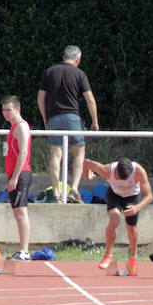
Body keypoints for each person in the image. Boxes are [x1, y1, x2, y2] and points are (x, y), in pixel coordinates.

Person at [37, 45, 99, 203]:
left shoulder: (50, 72)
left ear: (63, 56)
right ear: (78, 59)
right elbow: (90, 99)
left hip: (54, 119)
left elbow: (40, 98)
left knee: (56, 154)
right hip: (73, 118)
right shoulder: (79, 74)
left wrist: (46, 119)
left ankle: (57, 193)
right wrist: (95, 121)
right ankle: (75, 189)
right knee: (79, 153)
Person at [82, 157, 153, 275]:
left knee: (131, 227)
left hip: (132, 198)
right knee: (115, 220)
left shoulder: (139, 171)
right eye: (118, 178)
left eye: (124, 180)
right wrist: (86, 176)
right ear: (115, 171)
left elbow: (149, 196)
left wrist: (137, 207)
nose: (120, 181)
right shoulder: (107, 170)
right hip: (114, 196)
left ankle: (132, 258)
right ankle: (108, 256)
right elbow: (86, 162)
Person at [0, 95, 33, 261]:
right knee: (17, 212)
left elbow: (24, 152)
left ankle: (25, 251)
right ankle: (22, 249)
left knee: (21, 211)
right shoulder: (13, 128)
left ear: (17, 109)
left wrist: (15, 177)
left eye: (9, 110)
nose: (6, 113)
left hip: (21, 174)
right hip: (14, 174)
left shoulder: (21, 127)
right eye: (4, 110)